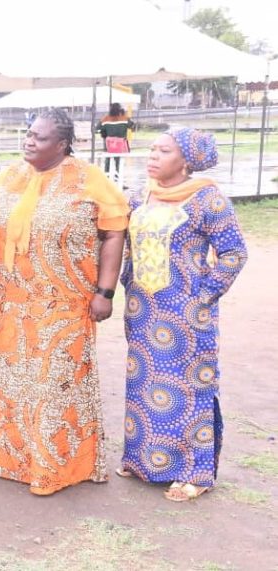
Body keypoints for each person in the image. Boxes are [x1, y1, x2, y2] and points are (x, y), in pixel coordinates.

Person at [0, 108, 129, 496]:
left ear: (62, 143)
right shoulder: (9, 176)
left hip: (65, 305)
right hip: (11, 303)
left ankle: (58, 468)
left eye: (40, 137)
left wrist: (105, 291)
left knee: (56, 385)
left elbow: (114, 233)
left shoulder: (88, 180)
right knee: (13, 382)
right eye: (28, 134)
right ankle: (12, 460)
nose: (30, 141)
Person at [117, 128, 247, 502]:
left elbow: (234, 253)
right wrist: (127, 279)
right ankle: (144, 461)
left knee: (188, 387)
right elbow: (122, 239)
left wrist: (203, 295)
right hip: (143, 311)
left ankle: (195, 471)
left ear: (186, 161)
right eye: (153, 149)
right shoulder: (142, 195)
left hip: (187, 316)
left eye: (164, 151)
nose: (153, 156)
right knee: (144, 385)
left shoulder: (208, 199)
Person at [97, 102, 134, 179]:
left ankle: (106, 179)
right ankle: (119, 180)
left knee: (108, 161)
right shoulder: (124, 118)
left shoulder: (105, 119)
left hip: (108, 145)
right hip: (121, 145)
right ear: (120, 109)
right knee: (119, 162)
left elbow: (97, 129)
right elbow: (133, 126)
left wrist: (104, 134)